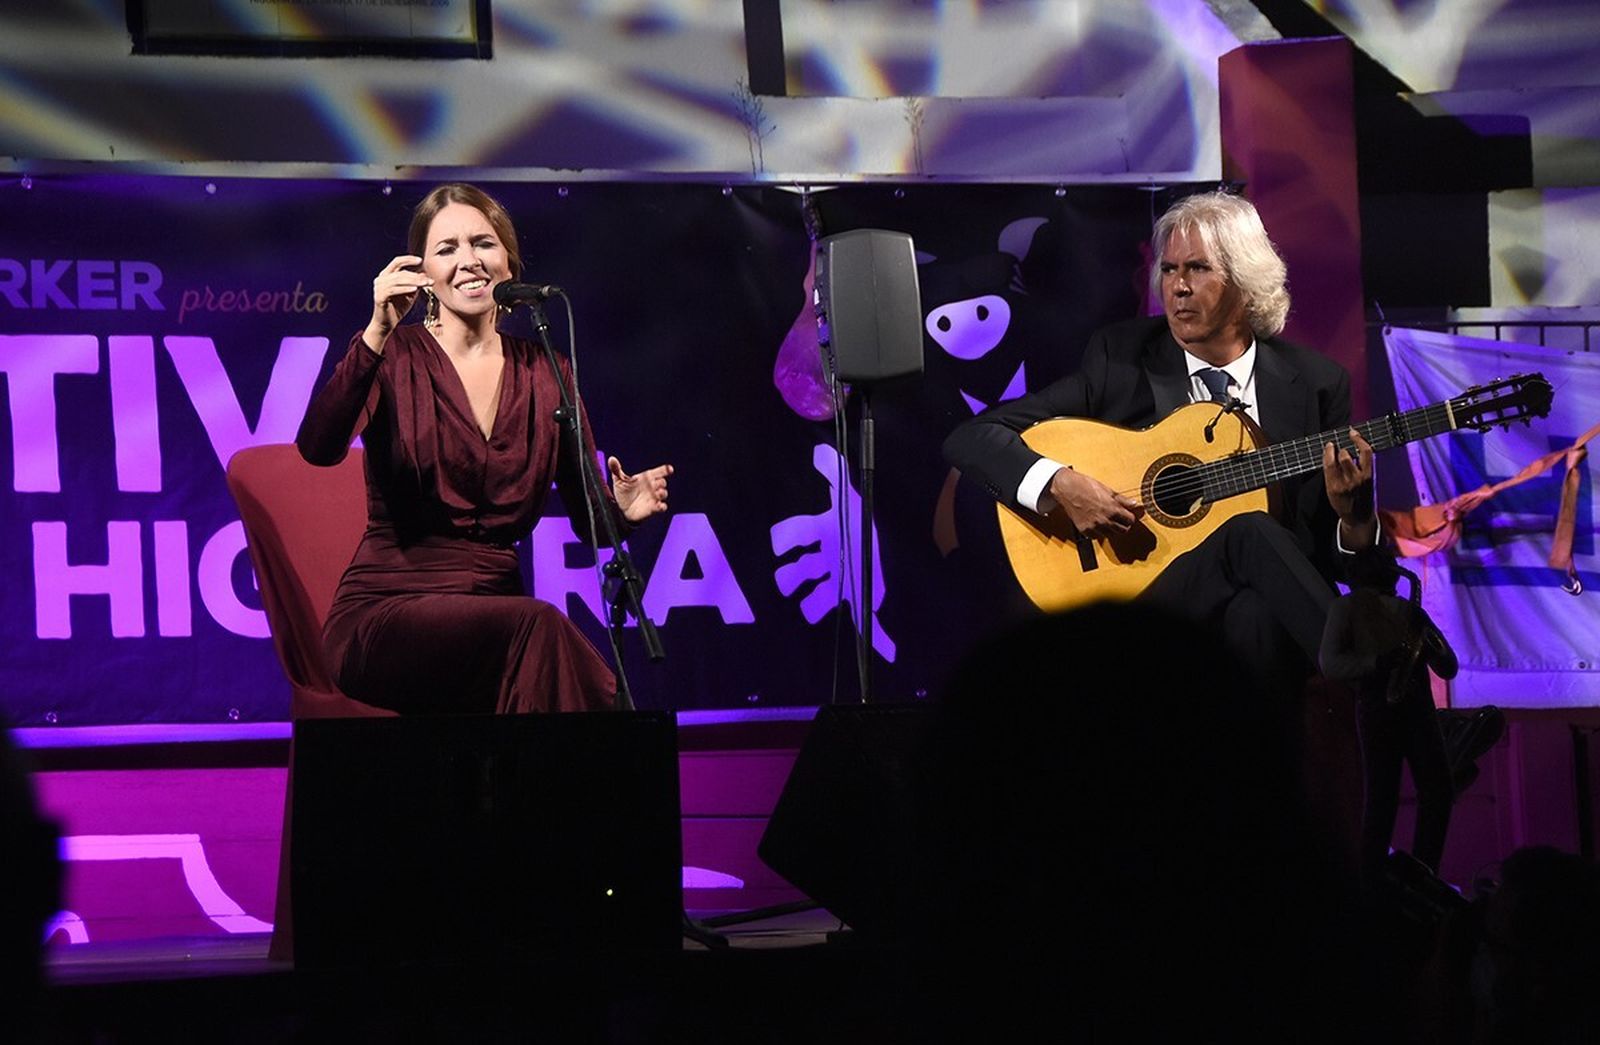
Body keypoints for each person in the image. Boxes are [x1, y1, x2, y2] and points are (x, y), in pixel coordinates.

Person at [942, 189, 1376, 694]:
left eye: (1197, 269)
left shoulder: (1317, 383)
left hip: (1266, 620)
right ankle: (1373, 682)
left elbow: (1335, 560)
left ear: (1245, 280)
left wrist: (1355, 520)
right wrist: (1059, 483)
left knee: (1255, 612)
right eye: (1169, 270)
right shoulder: (1121, 359)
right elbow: (973, 436)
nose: (1178, 288)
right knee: (1248, 530)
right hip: (1141, 597)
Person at [296, 183, 671, 715]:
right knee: (538, 630)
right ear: (422, 274)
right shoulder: (394, 355)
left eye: (483, 243)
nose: (468, 260)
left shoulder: (548, 371)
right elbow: (318, 447)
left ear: (509, 263)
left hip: (496, 617)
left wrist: (622, 512)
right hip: (388, 611)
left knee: (530, 653)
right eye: (446, 249)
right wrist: (377, 331)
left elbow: (591, 523)